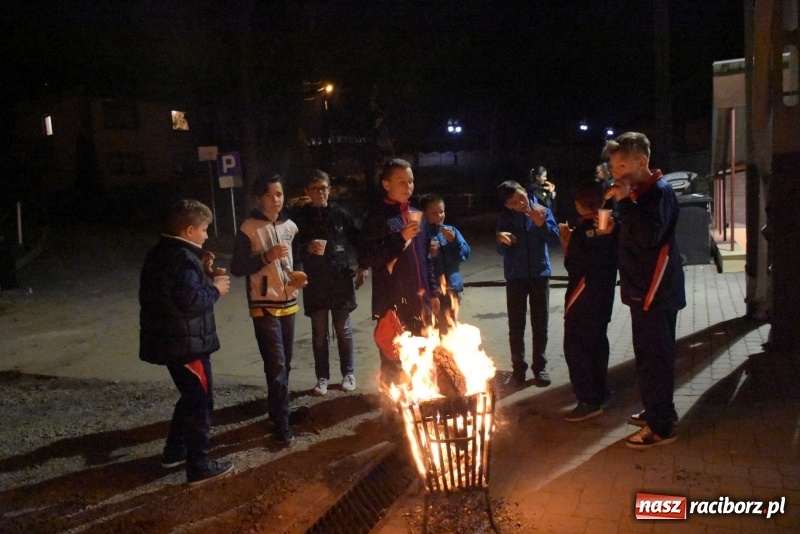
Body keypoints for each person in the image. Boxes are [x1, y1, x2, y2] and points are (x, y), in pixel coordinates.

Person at [139, 199, 234, 486]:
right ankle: (199, 466)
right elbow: (191, 301)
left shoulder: (163, 253)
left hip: (172, 341)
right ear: (190, 230)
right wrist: (216, 289)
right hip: (186, 345)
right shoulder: (181, 258)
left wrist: (202, 273)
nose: (207, 235)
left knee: (190, 396)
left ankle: (175, 451)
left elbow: (176, 292)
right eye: (204, 229)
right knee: (200, 402)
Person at [601, 132, 685, 449]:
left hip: (655, 291)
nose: (617, 173)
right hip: (643, 289)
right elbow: (634, 235)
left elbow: (649, 237)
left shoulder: (658, 193)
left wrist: (624, 202)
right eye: (613, 166)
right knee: (650, 357)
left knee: (654, 360)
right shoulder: (640, 194)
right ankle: (658, 410)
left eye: (622, 165)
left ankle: (660, 427)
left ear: (642, 161)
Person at [230, 174, 308, 445]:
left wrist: (298, 276)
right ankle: (282, 422)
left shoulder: (291, 226)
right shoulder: (248, 228)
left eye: (280, 194)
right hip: (263, 304)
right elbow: (237, 268)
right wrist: (265, 257)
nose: (276, 200)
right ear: (259, 198)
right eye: (271, 195)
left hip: (288, 301)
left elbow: (292, 262)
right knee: (275, 364)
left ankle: (277, 412)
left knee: (285, 362)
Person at [358, 158, 441, 390]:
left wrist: (433, 292)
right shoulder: (377, 219)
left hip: (420, 300)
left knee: (423, 355)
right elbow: (366, 258)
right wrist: (400, 238)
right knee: (395, 359)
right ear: (386, 184)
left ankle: (421, 404)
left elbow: (425, 260)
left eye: (411, 181)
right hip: (392, 302)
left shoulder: (417, 214)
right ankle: (393, 412)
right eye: (401, 181)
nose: (408, 186)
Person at [292, 170, 368, 396]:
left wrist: (363, 266)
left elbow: (358, 239)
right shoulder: (300, 218)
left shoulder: (340, 215)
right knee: (318, 332)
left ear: (329, 189)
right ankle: (322, 378)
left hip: (340, 279)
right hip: (314, 281)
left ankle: (348, 373)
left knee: (343, 330)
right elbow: (291, 246)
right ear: (307, 192)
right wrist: (306, 248)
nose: (320, 193)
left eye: (323, 188)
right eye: (315, 188)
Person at [559, 180, 618, 422]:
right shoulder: (611, 226)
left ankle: (587, 400)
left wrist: (566, 241)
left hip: (581, 298)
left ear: (580, 205)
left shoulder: (582, 231)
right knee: (597, 343)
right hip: (604, 296)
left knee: (576, 348)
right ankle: (600, 391)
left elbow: (573, 266)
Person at [496, 180, 560, 387]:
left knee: (540, 324)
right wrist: (503, 242)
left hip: (540, 274)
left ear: (525, 191)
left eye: (521, 197)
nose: (520, 204)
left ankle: (540, 367)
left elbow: (554, 239)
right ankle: (518, 369)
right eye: (514, 203)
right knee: (516, 326)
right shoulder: (505, 217)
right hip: (515, 276)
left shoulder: (542, 209)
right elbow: (500, 248)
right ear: (507, 206)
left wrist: (541, 224)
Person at [419, 193, 471, 334]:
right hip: (432, 289)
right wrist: (428, 252)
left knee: (450, 326)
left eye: (441, 211)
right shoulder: (421, 234)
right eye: (433, 212)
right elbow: (417, 261)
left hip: (452, 287)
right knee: (432, 328)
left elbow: (465, 254)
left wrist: (454, 241)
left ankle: (450, 355)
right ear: (424, 214)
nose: (439, 216)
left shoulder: (451, 231)